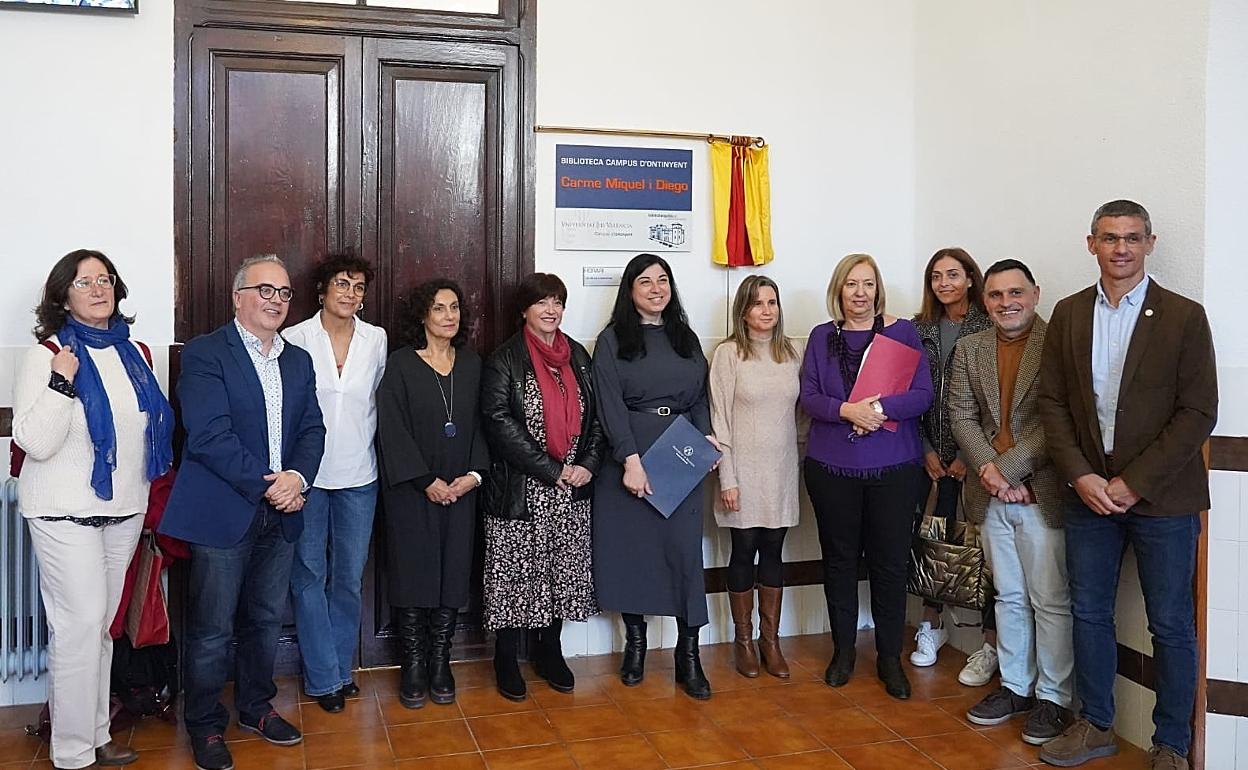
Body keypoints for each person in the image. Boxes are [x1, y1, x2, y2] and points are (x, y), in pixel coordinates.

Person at [1038, 200, 1217, 770]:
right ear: (1090, 243)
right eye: (1110, 238)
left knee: (1170, 622)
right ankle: (1095, 725)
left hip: (1163, 498)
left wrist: (1133, 484)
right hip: (1088, 494)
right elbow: (1054, 404)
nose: (1121, 248)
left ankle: (1170, 745)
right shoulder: (1067, 314)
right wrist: (1082, 476)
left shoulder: (1184, 316)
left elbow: (1198, 412)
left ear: (1150, 243)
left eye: (1133, 238)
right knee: (1089, 610)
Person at [159, 255, 325, 770]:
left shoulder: (297, 360)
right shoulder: (207, 354)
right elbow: (209, 436)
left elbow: (312, 430)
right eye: (264, 289)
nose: (275, 299)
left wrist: (297, 479)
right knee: (211, 629)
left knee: (265, 621)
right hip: (224, 513)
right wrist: (270, 485)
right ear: (238, 297)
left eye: (283, 292)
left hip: (283, 511)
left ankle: (255, 708)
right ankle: (206, 725)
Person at [13, 249, 173, 770]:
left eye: (105, 280)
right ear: (63, 296)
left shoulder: (136, 354)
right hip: (62, 513)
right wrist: (62, 380)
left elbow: (145, 434)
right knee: (79, 626)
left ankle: (97, 733)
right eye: (85, 283)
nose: (99, 289)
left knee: (100, 627)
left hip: (123, 512)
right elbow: (34, 441)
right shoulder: (47, 353)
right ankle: (72, 751)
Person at [946, 259, 1074, 745]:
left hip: (1041, 494)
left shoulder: (1057, 344)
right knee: (1010, 597)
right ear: (986, 301)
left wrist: (1012, 470)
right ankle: (1017, 686)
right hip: (991, 492)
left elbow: (1057, 421)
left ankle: (1054, 698)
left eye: (1016, 293)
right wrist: (991, 473)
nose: (1007, 302)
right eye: (997, 295)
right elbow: (960, 415)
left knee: (1051, 600)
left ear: (1036, 294)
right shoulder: (971, 348)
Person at [800, 253, 932, 700]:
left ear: (879, 289)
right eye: (851, 284)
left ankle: (890, 659)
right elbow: (810, 397)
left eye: (868, 284)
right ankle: (843, 653)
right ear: (839, 290)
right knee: (838, 561)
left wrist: (875, 410)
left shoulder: (904, 332)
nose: (860, 293)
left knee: (890, 565)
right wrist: (845, 410)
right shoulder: (821, 337)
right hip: (832, 468)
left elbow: (922, 395)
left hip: (893, 469)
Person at [592, 253, 719, 700]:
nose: (655, 288)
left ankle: (689, 654)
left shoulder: (685, 337)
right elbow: (608, 403)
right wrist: (629, 459)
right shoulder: (612, 341)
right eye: (644, 281)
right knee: (632, 555)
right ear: (630, 291)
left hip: (679, 456)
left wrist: (706, 439)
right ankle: (637, 646)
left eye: (662, 280)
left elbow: (701, 395)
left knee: (683, 556)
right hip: (629, 459)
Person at [479, 273, 605, 700]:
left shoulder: (580, 357)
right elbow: (499, 423)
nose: (551, 310)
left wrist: (586, 464)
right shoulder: (504, 359)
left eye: (557, 302)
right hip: (524, 486)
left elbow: (597, 419)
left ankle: (550, 651)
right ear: (524, 310)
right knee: (516, 575)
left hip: (573, 487)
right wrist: (553, 469)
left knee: (560, 573)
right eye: (541, 302)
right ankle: (507, 657)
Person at [376, 279, 489, 709]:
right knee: (413, 573)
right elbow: (392, 428)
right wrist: (425, 480)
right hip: (412, 490)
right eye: (439, 308)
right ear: (423, 316)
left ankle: (442, 661)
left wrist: (473, 476)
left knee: (453, 573)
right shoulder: (402, 365)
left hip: (463, 488)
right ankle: (415, 664)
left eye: (454, 307)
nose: (448, 316)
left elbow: (485, 425)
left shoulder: (475, 365)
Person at [283, 254, 388, 713]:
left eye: (359, 286)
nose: (351, 293)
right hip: (308, 477)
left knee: (347, 577)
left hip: (360, 474)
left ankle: (341, 670)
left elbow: (378, 402)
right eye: (342, 284)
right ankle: (323, 676)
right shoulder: (295, 338)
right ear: (322, 289)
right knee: (308, 576)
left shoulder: (376, 340)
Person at [910, 247, 999, 684]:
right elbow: (906, 393)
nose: (944, 284)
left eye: (953, 275)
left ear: (970, 278)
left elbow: (991, 402)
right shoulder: (918, 329)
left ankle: (989, 646)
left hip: (978, 460)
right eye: (936, 277)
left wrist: (970, 454)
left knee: (983, 552)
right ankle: (930, 628)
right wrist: (926, 447)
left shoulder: (990, 325)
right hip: (929, 458)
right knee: (933, 545)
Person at [709, 275, 804, 679]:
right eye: (757, 303)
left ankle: (771, 641)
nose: (767, 310)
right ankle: (744, 641)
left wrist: (800, 466)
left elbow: (802, 420)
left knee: (774, 551)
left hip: (781, 471)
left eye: (772, 302)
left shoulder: (792, 353)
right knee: (743, 550)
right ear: (743, 312)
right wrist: (727, 478)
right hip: (741, 473)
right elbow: (720, 420)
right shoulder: (729, 354)